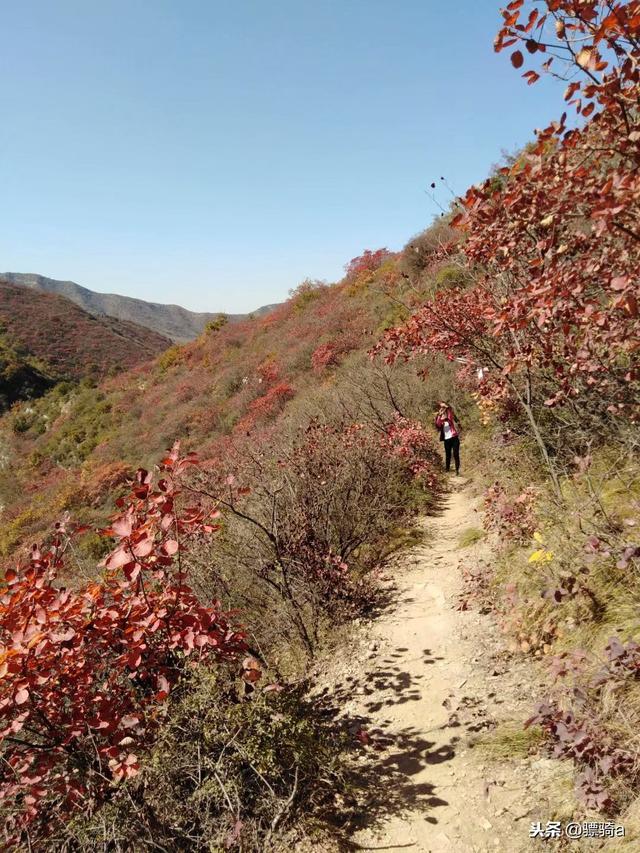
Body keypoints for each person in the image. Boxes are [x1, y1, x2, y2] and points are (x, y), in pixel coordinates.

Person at [435, 401, 461, 475]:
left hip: (454, 438)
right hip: (447, 440)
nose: (442, 410)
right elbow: (438, 424)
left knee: (456, 454)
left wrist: (446, 407)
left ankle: (457, 470)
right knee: (448, 455)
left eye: (443, 408)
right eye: (441, 408)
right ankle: (447, 470)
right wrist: (440, 415)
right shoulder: (440, 418)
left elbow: (449, 414)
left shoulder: (449, 417)